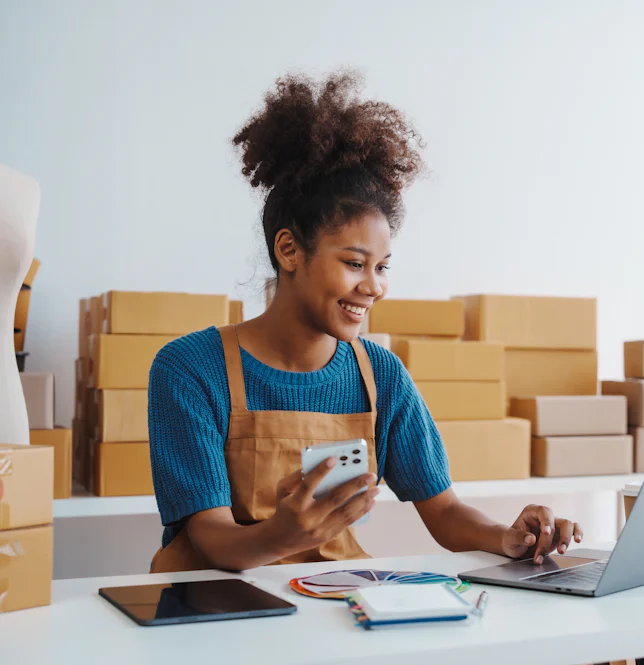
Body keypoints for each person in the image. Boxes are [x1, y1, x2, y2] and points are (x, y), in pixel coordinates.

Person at [147, 71, 582, 573]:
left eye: (383, 267)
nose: (373, 286)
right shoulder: (190, 369)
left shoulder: (380, 374)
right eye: (354, 263)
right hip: (213, 610)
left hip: (332, 602)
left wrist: (506, 537)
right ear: (289, 249)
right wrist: (281, 536)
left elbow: (444, 511)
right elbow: (211, 540)